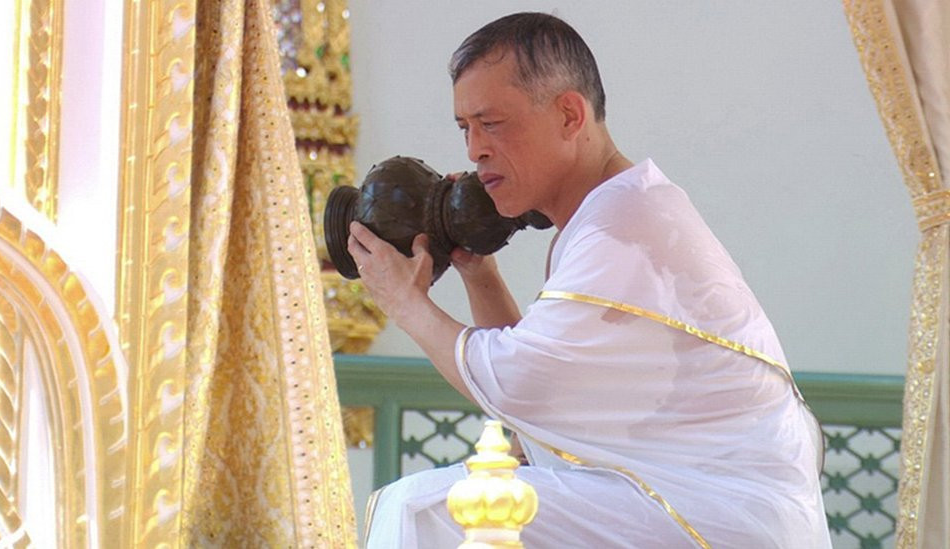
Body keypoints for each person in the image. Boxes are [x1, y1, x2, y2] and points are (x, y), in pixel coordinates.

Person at [348, 12, 831, 549]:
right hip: (702, 505)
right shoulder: (615, 211)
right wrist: (479, 275)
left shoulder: (624, 224)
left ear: (569, 115)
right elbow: (542, 398)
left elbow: (519, 384)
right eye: (466, 128)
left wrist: (404, 301)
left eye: (493, 123)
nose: (474, 150)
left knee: (429, 508)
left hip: (720, 516)